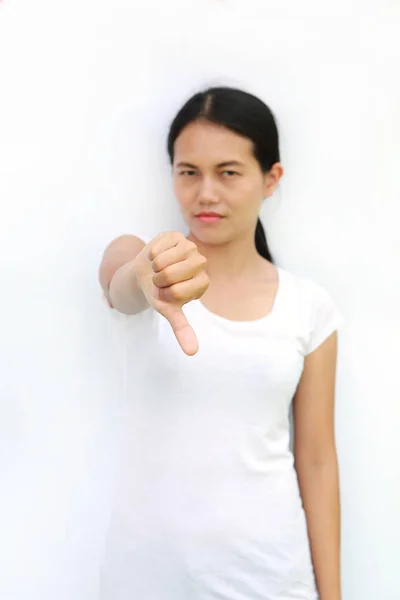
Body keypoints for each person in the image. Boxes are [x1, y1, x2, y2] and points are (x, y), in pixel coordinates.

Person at [98, 86, 344, 600]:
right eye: (188, 172)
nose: (205, 192)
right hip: (147, 578)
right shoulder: (146, 266)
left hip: (271, 578)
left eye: (227, 172)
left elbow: (317, 459)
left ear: (270, 178)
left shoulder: (309, 306)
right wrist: (145, 275)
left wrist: (332, 594)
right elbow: (120, 281)